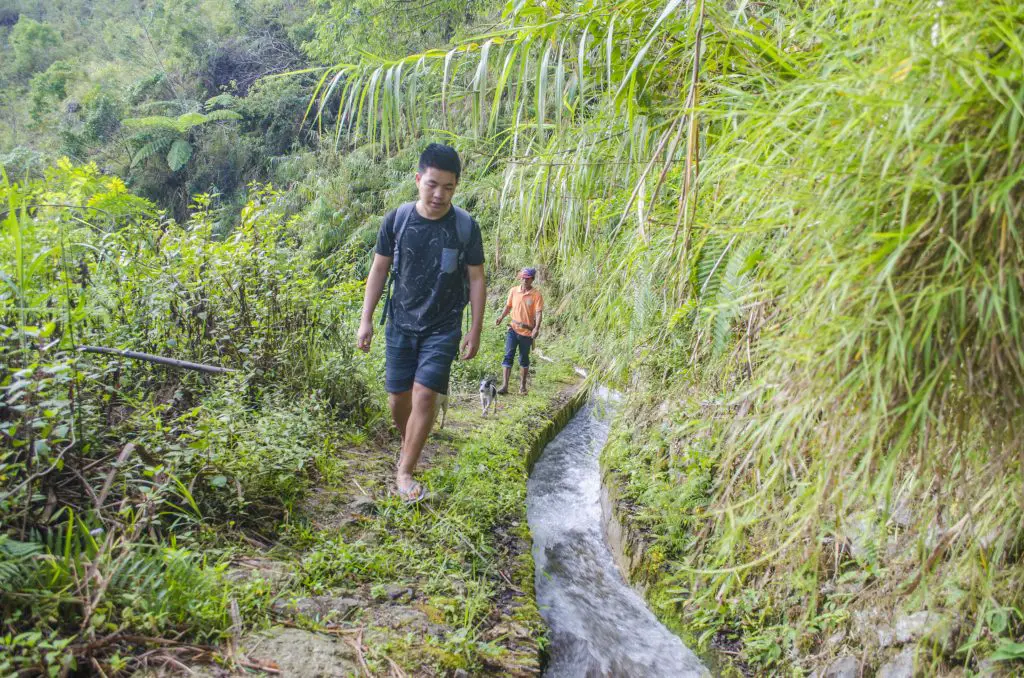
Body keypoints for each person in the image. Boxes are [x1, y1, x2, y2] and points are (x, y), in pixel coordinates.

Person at [357, 144, 485, 502]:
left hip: (443, 325)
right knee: (398, 399)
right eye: (432, 184)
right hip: (400, 322)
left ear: (456, 186)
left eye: (448, 187)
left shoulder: (465, 227)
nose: (439, 194)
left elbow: (476, 278)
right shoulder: (396, 221)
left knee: (425, 394)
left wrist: (475, 328)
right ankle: (410, 444)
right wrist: (365, 320)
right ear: (418, 180)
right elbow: (379, 269)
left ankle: (405, 471)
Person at [494, 267, 543, 395]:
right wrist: (501, 317)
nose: (524, 280)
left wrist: (536, 328)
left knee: (523, 358)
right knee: (508, 355)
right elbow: (508, 306)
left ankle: (522, 386)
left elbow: (538, 313)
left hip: (527, 332)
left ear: (532, 279)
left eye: (527, 278)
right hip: (513, 329)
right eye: (522, 278)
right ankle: (505, 386)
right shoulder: (514, 291)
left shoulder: (536, 295)